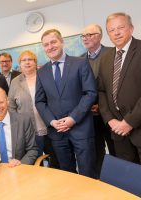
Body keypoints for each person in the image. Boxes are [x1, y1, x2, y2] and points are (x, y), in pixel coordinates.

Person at [98, 12, 141, 169]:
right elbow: (102, 91)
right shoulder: (105, 58)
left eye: (121, 27)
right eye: (112, 30)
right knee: (130, 183)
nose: (116, 32)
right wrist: (110, 121)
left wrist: (129, 122)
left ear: (131, 29)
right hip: (119, 134)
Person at [35, 29, 97, 178]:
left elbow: (90, 93)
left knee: (87, 173)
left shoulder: (80, 63)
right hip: (57, 132)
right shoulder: (42, 72)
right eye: (46, 45)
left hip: (81, 128)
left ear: (61, 42)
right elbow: (40, 101)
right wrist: (52, 121)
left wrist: (72, 119)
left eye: (53, 42)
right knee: (67, 175)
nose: (50, 47)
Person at [8, 50, 58, 168]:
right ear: (19, 64)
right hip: (29, 131)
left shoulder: (45, 76)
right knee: (36, 164)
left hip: (50, 127)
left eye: (30, 59)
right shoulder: (15, 82)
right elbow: (11, 107)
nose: (27, 62)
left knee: (56, 161)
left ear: (35, 62)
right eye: (23, 60)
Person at [81, 24, 115, 177]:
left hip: (111, 114)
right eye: (83, 36)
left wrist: (101, 106)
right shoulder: (79, 60)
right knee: (95, 151)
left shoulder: (113, 53)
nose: (86, 38)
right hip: (90, 115)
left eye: (90, 34)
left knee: (116, 150)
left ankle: (119, 182)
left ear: (100, 36)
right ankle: (101, 182)